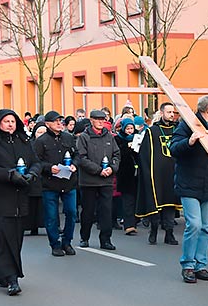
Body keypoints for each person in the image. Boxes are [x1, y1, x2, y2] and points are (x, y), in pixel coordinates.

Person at [0, 109, 41, 296]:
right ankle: (12, 278)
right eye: (6, 121)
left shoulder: (24, 141)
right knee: (1, 239)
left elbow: (36, 162)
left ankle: (1, 273)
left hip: (19, 198)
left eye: (13, 121)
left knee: (15, 239)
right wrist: (9, 175)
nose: (10, 124)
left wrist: (32, 174)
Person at [170, 95, 208, 283]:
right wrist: (190, 141)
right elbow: (174, 148)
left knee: (206, 227)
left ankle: (201, 265)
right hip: (189, 184)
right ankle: (188, 265)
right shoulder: (187, 125)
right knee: (194, 224)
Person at [34, 111, 79, 256]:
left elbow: (77, 155)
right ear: (47, 124)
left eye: (61, 121)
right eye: (56, 121)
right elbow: (36, 162)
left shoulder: (68, 137)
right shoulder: (41, 141)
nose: (60, 124)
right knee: (52, 216)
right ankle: (55, 244)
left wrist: (75, 165)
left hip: (68, 182)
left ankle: (67, 242)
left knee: (71, 213)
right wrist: (49, 168)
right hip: (50, 184)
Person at [136, 102, 181, 245]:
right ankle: (154, 230)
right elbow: (144, 154)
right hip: (157, 174)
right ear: (161, 113)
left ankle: (169, 233)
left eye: (173, 112)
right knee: (156, 203)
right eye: (169, 112)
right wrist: (148, 173)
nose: (172, 115)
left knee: (170, 204)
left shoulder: (177, 130)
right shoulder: (152, 131)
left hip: (172, 172)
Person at [76, 110, 120, 250]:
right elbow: (81, 158)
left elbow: (116, 154)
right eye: (98, 119)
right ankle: (84, 237)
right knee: (88, 211)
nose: (101, 121)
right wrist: (98, 170)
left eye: (103, 119)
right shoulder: (84, 137)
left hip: (106, 180)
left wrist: (112, 168)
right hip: (89, 180)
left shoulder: (109, 137)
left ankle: (106, 240)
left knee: (106, 211)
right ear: (91, 120)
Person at [114, 118, 140, 236]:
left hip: (138, 173)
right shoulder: (118, 139)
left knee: (136, 199)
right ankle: (129, 225)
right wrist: (127, 147)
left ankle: (135, 220)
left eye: (132, 128)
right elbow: (118, 154)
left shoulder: (138, 138)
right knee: (127, 199)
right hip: (125, 174)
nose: (130, 131)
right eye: (128, 128)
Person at [23, 122, 46, 236]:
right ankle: (31, 226)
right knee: (31, 204)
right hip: (32, 176)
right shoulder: (29, 144)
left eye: (44, 132)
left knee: (43, 204)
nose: (41, 135)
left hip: (45, 177)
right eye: (39, 132)